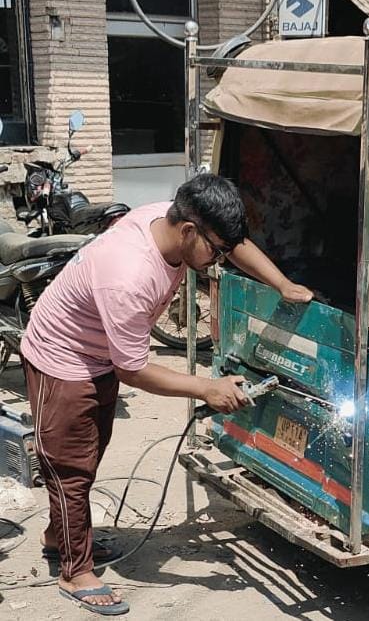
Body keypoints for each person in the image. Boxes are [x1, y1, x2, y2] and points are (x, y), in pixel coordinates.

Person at [20, 173, 313, 615]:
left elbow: (235, 244)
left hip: (99, 352)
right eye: (215, 251)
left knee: (88, 455)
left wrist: (283, 285)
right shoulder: (130, 274)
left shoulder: (174, 219)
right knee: (70, 467)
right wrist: (207, 388)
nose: (219, 260)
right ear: (189, 231)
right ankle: (75, 572)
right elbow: (134, 369)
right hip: (62, 357)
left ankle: (59, 536)